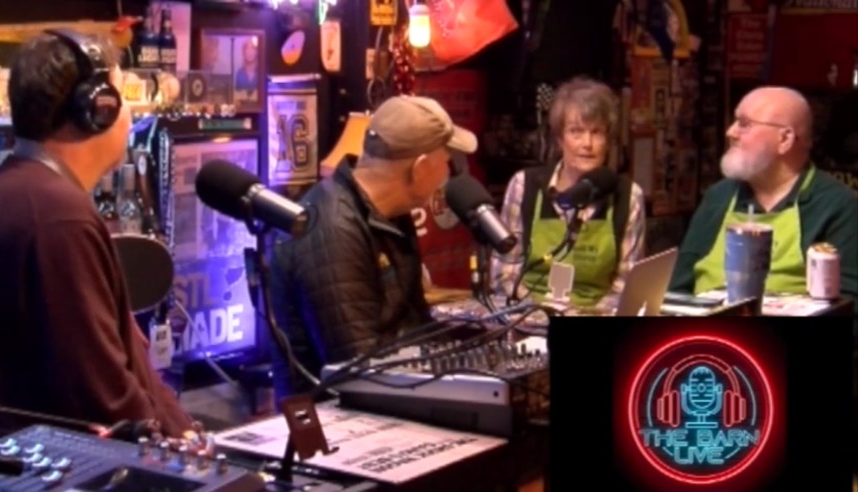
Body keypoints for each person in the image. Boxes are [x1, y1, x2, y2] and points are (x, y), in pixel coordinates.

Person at [0, 30, 193, 437]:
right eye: (122, 96)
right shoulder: (58, 218)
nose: (130, 113)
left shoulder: (25, 194)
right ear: (97, 110)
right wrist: (175, 448)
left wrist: (185, 433)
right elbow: (106, 394)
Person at [269, 95, 477, 398]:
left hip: (391, 394)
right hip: (339, 415)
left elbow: (415, 324)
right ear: (420, 168)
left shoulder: (392, 213)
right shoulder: (333, 229)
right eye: (447, 161)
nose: (449, 174)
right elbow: (359, 368)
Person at [669, 86, 858, 304]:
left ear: (785, 139)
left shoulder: (835, 204)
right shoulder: (719, 197)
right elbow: (677, 286)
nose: (730, 132)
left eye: (744, 124)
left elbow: (848, 302)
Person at [490, 77, 646, 310]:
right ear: (560, 140)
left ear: (608, 141)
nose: (587, 143)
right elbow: (504, 274)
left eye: (597, 132)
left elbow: (625, 288)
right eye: (576, 132)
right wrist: (541, 315)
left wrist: (580, 317)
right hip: (529, 317)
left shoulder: (628, 197)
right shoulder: (524, 186)